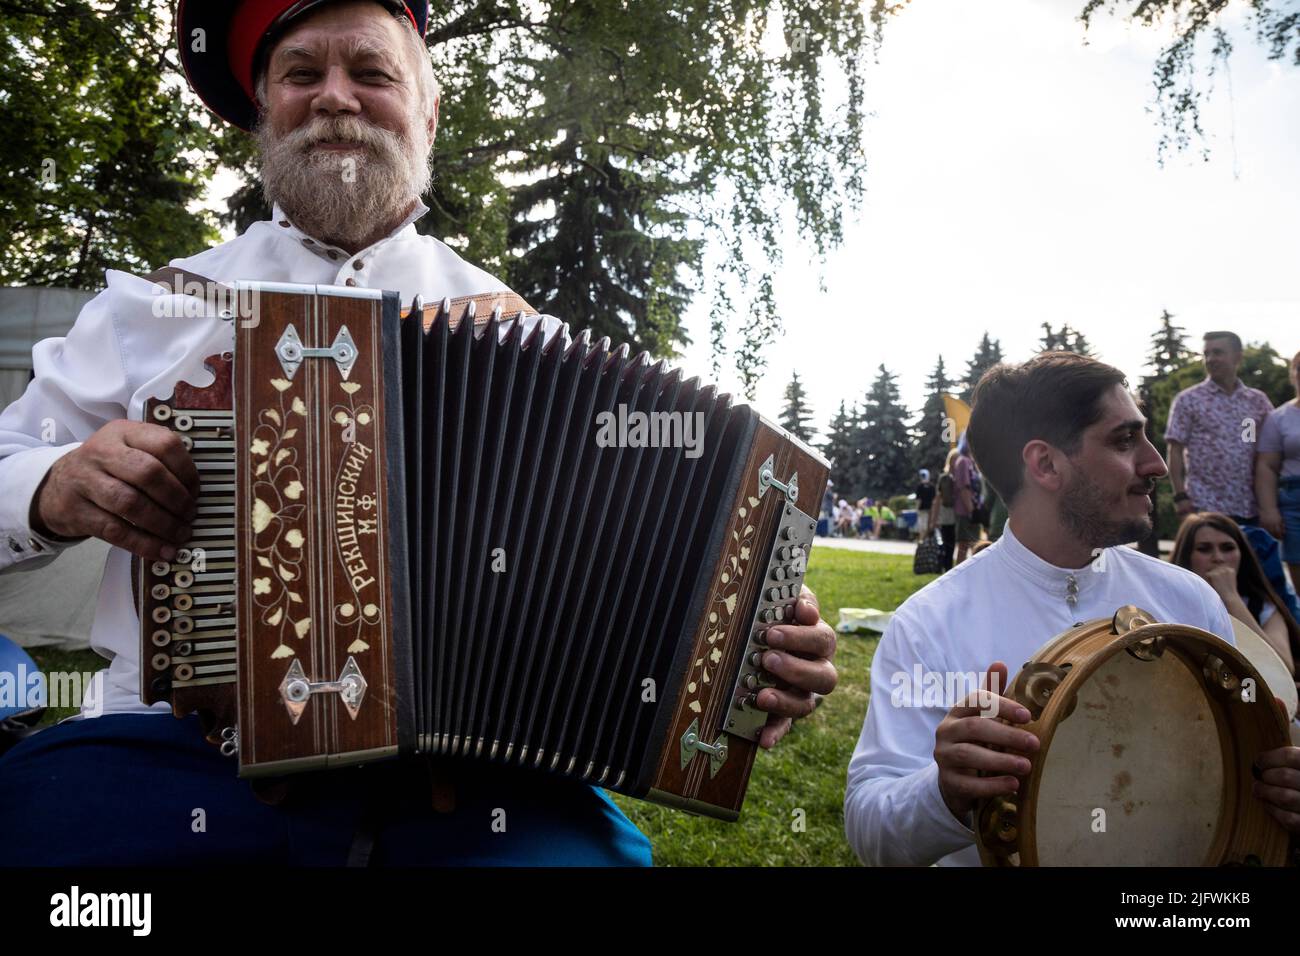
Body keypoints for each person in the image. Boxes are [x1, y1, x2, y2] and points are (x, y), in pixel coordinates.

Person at [0, 0, 839, 866]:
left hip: (470, 783)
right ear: (265, 112)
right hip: (179, 759)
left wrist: (753, 645)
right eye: (301, 74)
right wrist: (53, 484)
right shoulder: (150, 308)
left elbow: (647, 560)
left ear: (428, 113)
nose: (336, 97)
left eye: (371, 73)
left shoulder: (522, 337)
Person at [845, 351, 1300, 866]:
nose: (1156, 464)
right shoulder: (929, 625)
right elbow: (868, 830)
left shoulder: (1188, 599)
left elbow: (1249, 785)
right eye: (1125, 440)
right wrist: (943, 793)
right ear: (1045, 464)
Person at [1171, 512, 1298, 679]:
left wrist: (1231, 598)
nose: (1218, 558)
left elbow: (1283, 671)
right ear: (1187, 556)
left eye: (1227, 548)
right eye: (1204, 549)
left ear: (1242, 555)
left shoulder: (1262, 607)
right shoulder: (1169, 601)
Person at [1166, 331, 1275, 525]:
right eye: (1206, 354)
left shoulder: (1256, 401)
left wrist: (1269, 504)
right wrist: (1180, 496)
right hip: (1204, 507)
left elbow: (1262, 447)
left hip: (1250, 508)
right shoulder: (1188, 400)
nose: (1210, 359)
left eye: (1217, 352)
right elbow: (1175, 450)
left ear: (1238, 357)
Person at [1257, 350, 1300, 592]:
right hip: (1294, 500)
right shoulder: (1278, 418)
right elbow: (1267, 466)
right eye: (1299, 368)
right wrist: (1269, 510)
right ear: (1292, 374)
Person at [930, 449, 958, 572]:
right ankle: (946, 566)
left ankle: (949, 566)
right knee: (947, 543)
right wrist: (934, 519)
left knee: (954, 543)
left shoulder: (963, 477)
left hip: (958, 514)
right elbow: (938, 499)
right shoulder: (944, 478)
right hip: (947, 515)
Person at [951, 441, 979, 564]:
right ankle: (960, 575)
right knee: (964, 545)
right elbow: (963, 488)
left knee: (974, 543)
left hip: (973, 509)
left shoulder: (971, 462)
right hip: (965, 510)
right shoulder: (963, 461)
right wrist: (971, 511)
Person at [914, 469, 936, 541]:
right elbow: (934, 500)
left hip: (922, 509)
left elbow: (918, 499)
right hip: (930, 509)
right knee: (926, 525)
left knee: (922, 525)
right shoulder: (932, 486)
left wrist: (916, 509)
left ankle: (922, 539)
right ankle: (924, 539)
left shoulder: (920, 486)